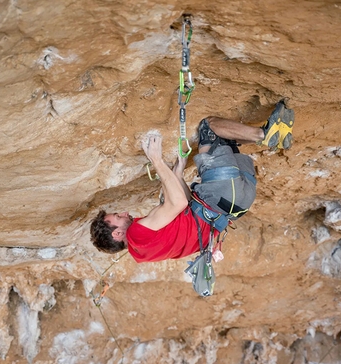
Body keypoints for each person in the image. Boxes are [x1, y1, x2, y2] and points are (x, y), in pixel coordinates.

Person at [90, 100, 294, 262]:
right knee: (210, 127)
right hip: (218, 193)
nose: (124, 213)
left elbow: (186, 212)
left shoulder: (145, 252)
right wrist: (156, 160)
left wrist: (177, 174)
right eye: (117, 216)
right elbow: (178, 203)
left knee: (225, 139)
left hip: (239, 201)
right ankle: (264, 134)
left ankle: (275, 134)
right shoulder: (137, 234)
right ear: (117, 233)